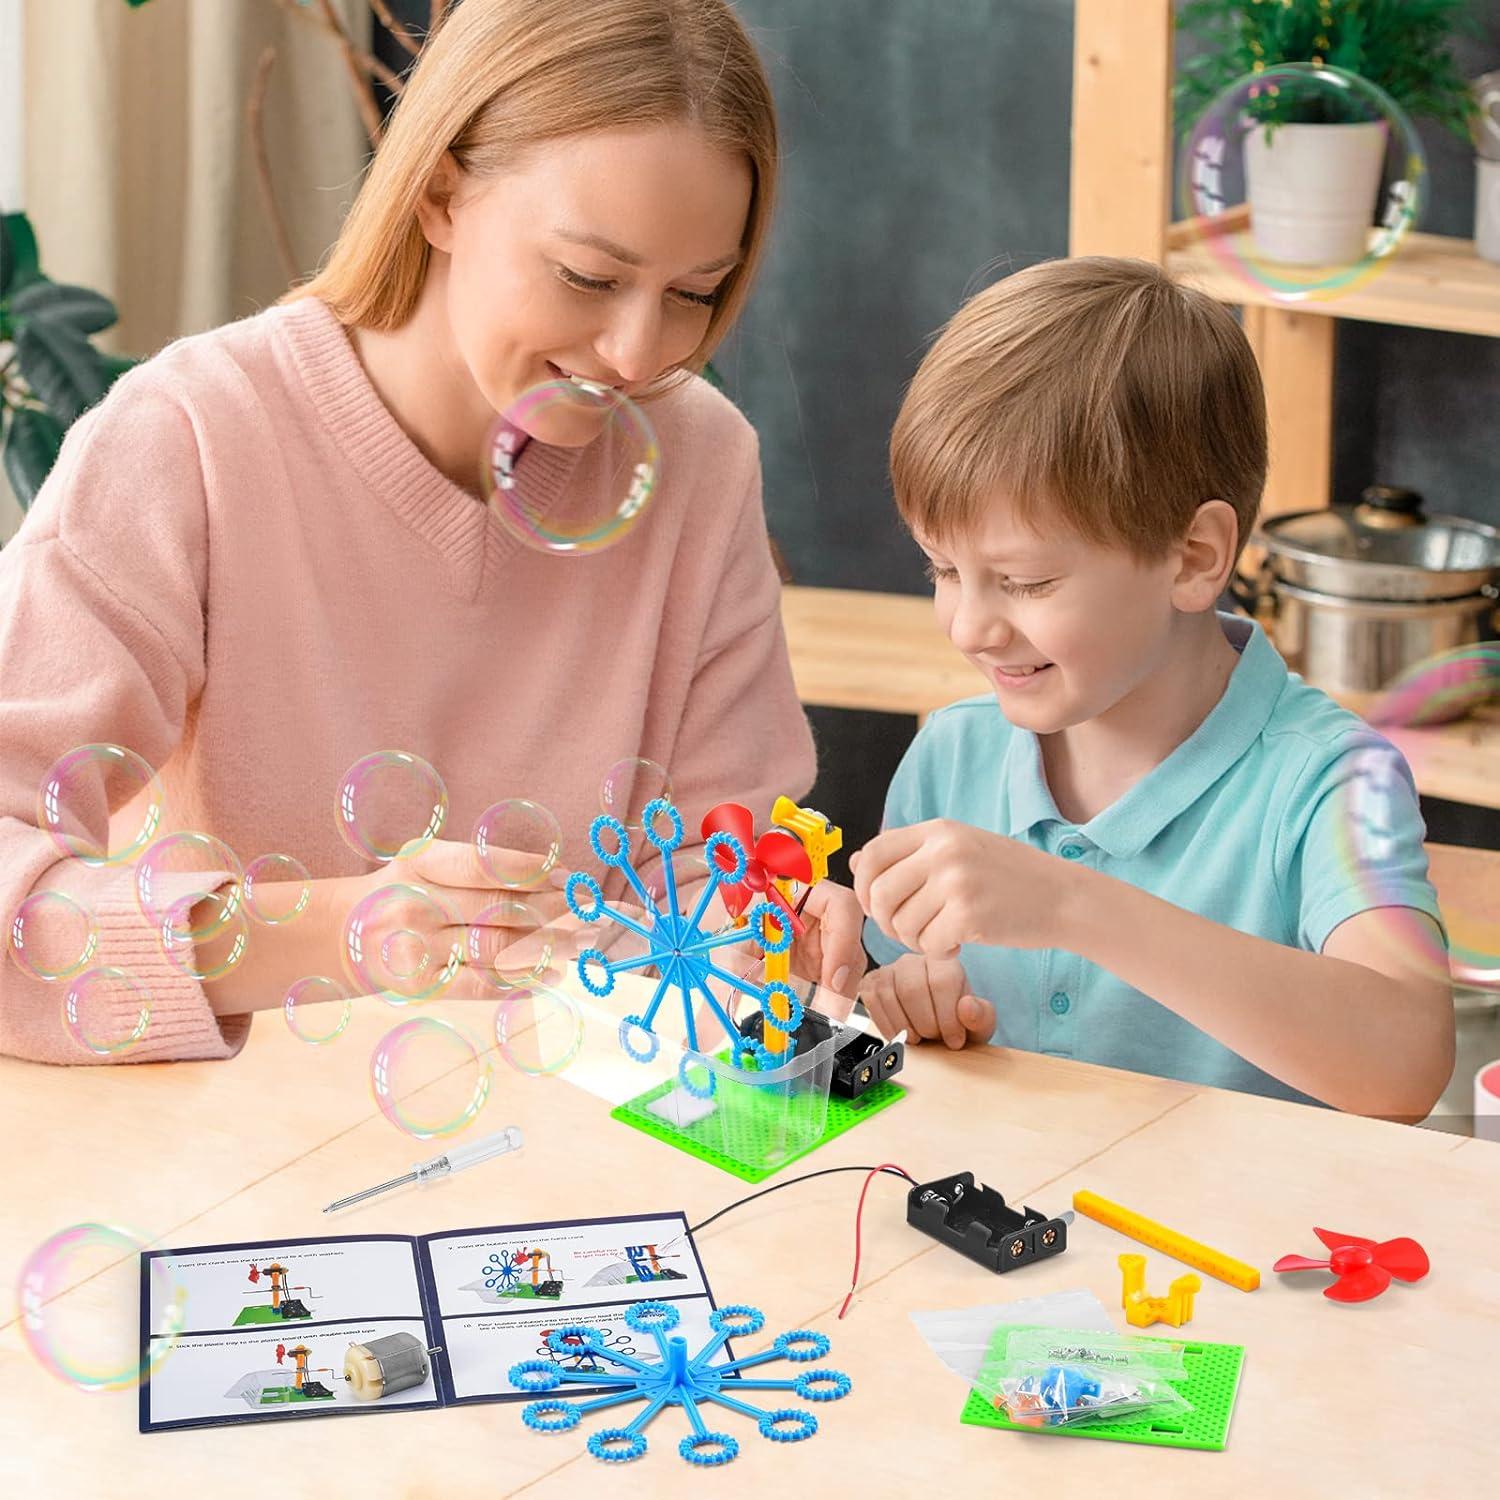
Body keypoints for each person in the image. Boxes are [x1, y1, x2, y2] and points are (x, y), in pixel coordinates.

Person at [0, 0, 864, 1065]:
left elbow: (702, 871)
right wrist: (339, 934)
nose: (640, 354)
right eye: (589, 277)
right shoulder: (189, 437)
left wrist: (767, 933)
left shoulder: (700, 460)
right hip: (238, 1144)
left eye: (695, 292)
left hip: (578, 1136)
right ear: (440, 194)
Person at [848, 257, 1453, 1119]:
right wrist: (900, 994)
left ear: (1194, 558)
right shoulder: (954, 752)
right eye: (943, 569)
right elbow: (901, 985)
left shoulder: (1328, 781)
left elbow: (1406, 1063)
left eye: (1024, 581)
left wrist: (1071, 905)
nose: (969, 627)